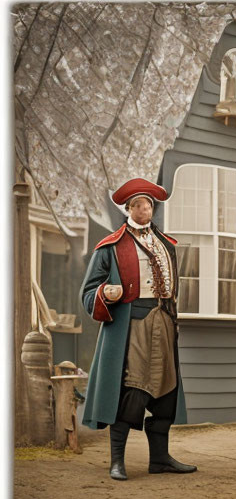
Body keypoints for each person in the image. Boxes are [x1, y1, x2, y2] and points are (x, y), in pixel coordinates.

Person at [80, 178, 197, 480]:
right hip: (133, 324)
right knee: (133, 388)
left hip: (165, 321)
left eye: (148, 205)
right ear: (128, 209)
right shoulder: (111, 246)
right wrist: (105, 293)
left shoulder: (166, 244)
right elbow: (89, 290)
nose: (144, 209)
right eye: (138, 205)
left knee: (166, 388)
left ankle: (159, 459)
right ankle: (116, 460)